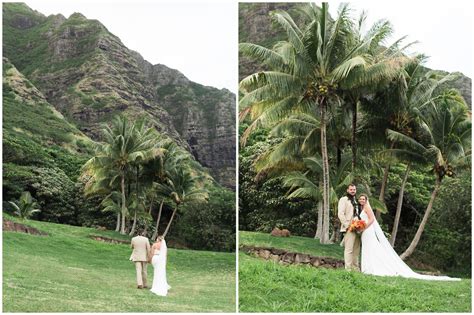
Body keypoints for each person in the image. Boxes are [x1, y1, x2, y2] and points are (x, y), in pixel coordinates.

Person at [358, 194, 460, 281]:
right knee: (368, 248)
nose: (362, 200)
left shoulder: (367, 207)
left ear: (366, 200)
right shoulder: (361, 208)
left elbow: (371, 220)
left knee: (371, 248)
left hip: (368, 230)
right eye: (360, 199)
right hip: (364, 231)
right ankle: (368, 267)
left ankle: (372, 268)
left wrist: (363, 228)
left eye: (363, 199)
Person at [337, 183, 361, 271]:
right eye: (351, 189)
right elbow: (340, 214)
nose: (353, 191)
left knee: (356, 250)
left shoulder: (357, 201)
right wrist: (347, 225)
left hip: (358, 228)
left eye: (354, 190)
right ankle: (348, 270)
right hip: (349, 228)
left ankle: (356, 269)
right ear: (347, 190)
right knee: (349, 249)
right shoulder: (344, 199)